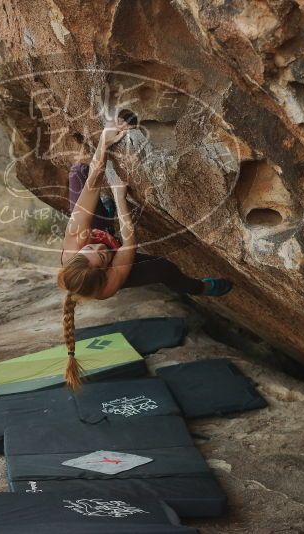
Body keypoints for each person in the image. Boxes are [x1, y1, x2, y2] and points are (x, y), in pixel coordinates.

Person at [58, 114, 233, 388]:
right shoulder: (109, 284)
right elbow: (129, 243)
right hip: (117, 247)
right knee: (163, 268)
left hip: (93, 228)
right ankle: (198, 288)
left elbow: (93, 180)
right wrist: (119, 198)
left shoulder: (76, 240)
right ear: (106, 269)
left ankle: (104, 213)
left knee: (79, 173)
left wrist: (104, 140)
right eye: (101, 255)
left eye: (90, 250)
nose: (98, 249)